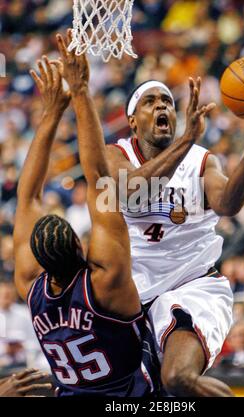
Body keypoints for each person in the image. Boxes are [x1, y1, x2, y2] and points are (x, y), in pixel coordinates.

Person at [105, 71, 244, 395]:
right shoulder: (116, 154)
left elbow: (229, 203)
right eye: (151, 101)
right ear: (132, 121)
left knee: (178, 378)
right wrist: (187, 139)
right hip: (133, 296)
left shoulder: (200, 160)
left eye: (167, 102)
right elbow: (131, 193)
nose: (162, 106)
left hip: (193, 286)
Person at [13, 36, 160, 397]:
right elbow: (97, 178)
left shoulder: (30, 287)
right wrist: (79, 91)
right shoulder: (106, 282)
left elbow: (27, 195)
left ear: (37, 260)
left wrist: (50, 113)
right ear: (80, 244)